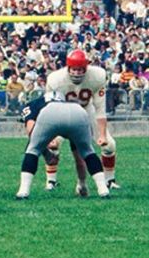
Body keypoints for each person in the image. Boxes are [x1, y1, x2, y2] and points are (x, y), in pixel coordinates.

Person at [16, 91, 108, 199]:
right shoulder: (71, 101)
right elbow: (79, 159)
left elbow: (30, 128)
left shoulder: (35, 104)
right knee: (87, 152)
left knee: (32, 150)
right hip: (77, 111)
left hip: (50, 113)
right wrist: (82, 183)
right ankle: (102, 189)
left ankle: (23, 191)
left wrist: (44, 150)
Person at [45, 49, 116, 188]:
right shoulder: (55, 80)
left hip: (86, 111)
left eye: (80, 70)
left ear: (86, 68)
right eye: (74, 70)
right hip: (62, 113)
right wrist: (51, 134)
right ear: (68, 67)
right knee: (53, 145)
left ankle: (110, 180)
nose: (77, 73)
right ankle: (51, 181)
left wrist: (102, 135)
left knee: (109, 145)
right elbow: (50, 108)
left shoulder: (97, 76)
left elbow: (100, 108)